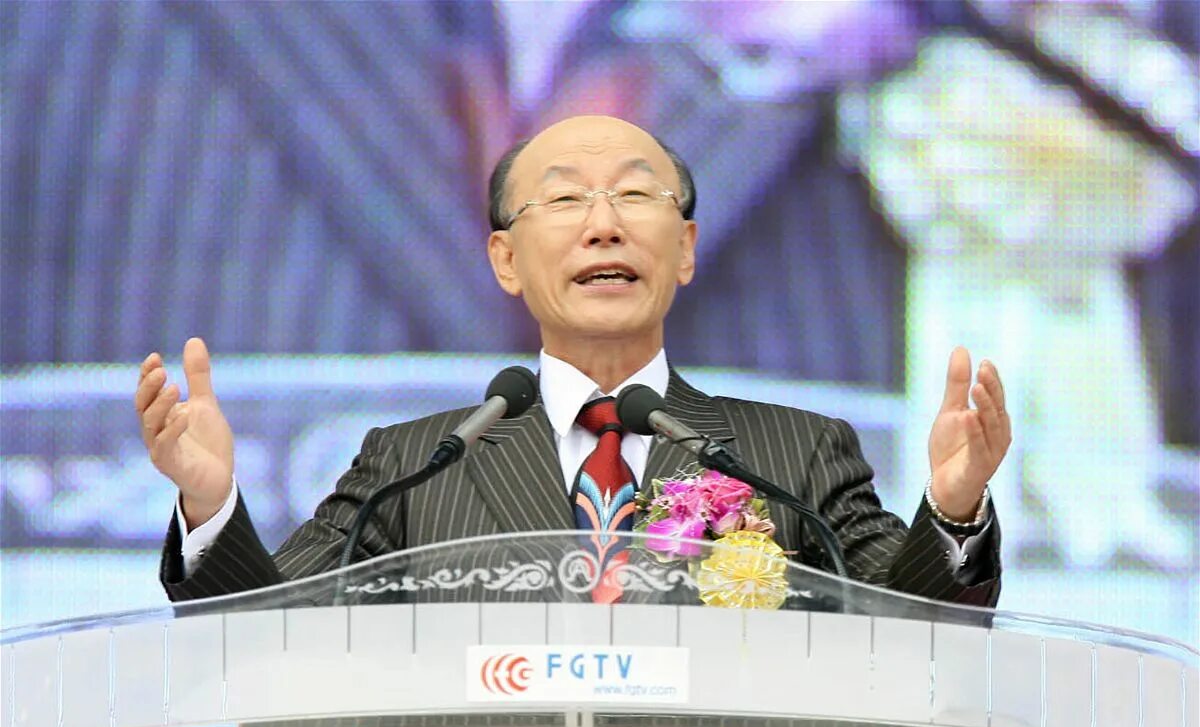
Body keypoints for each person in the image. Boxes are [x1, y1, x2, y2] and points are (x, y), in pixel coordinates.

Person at [135, 115, 1010, 605]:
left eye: (635, 194)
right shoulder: (409, 465)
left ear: (686, 249)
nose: (603, 225)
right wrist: (209, 506)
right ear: (505, 260)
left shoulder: (797, 455)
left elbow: (913, 627)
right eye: (563, 201)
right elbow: (266, 626)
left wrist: (955, 507)